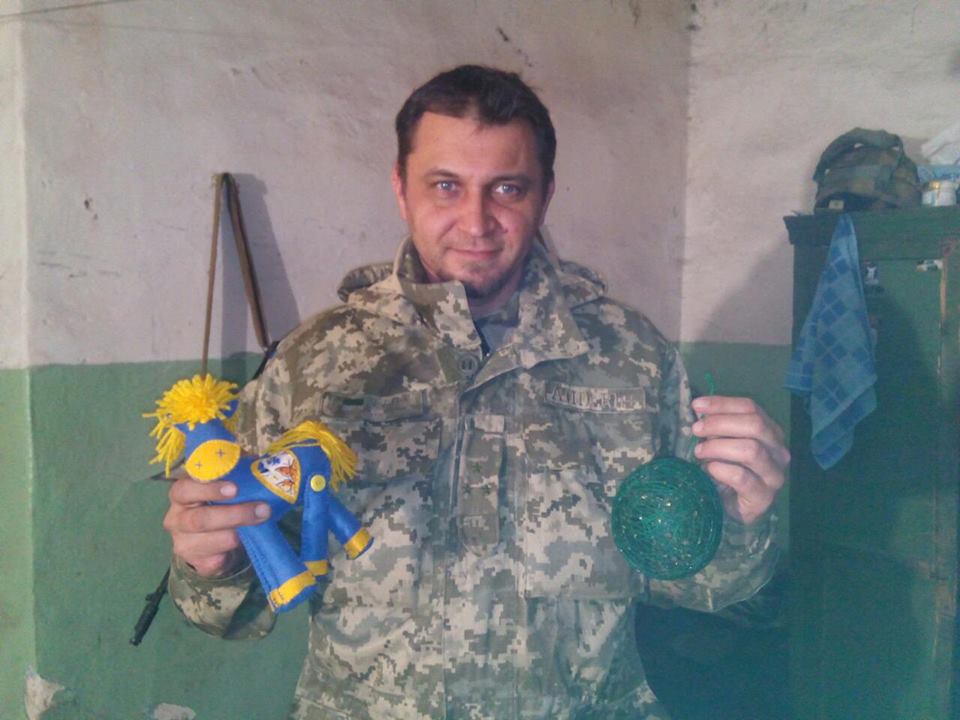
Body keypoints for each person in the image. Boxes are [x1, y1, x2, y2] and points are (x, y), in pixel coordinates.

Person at [163, 65, 789, 719]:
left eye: (507, 188)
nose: (476, 221)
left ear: (544, 195)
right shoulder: (314, 362)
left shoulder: (633, 358)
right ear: (401, 189)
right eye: (446, 186)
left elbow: (702, 584)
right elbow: (233, 612)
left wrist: (743, 520)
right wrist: (211, 563)